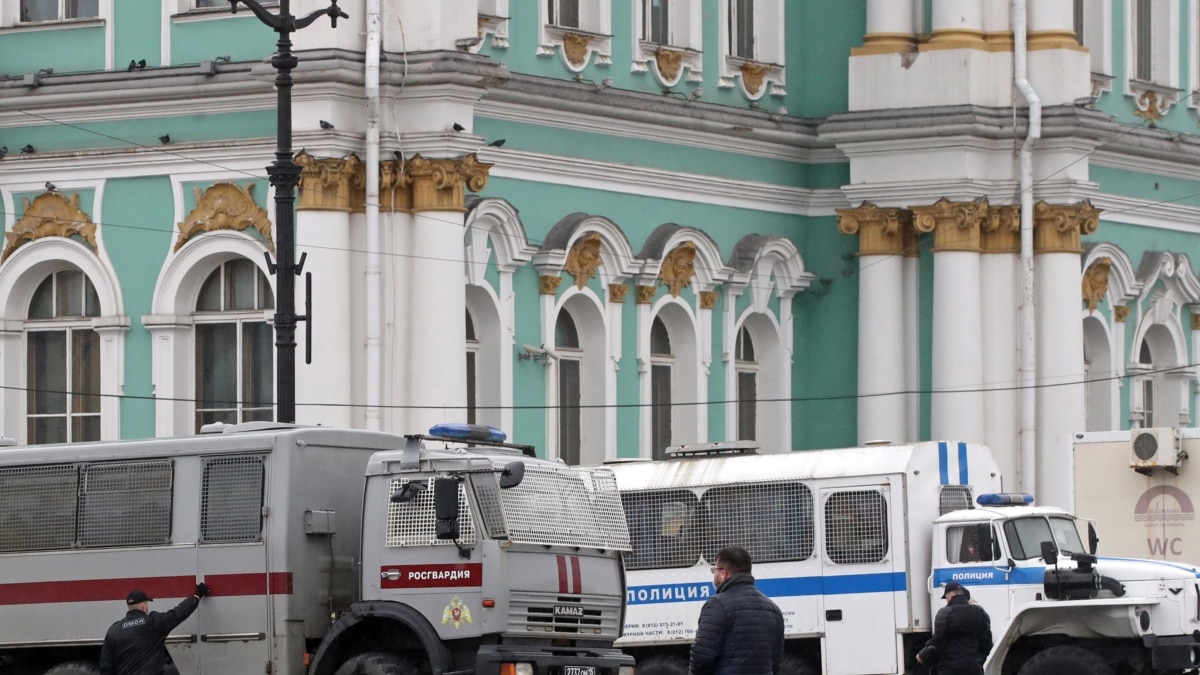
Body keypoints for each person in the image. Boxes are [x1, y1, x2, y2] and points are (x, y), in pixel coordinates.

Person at [689, 546, 785, 675]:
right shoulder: (773, 609)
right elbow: (776, 660)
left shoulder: (717, 605)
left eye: (714, 570)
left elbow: (702, 657)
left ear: (723, 574)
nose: (714, 575)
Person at [99, 582, 210, 675]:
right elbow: (178, 613)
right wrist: (196, 596)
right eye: (147, 603)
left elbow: (106, 667)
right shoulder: (154, 623)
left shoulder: (114, 631)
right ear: (143, 605)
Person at [916, 582, 992, 675]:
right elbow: (987, 642)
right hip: (974, 667)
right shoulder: (979, 612)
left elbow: (937, 642)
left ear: (951, 595)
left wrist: (923, 655)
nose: (946, 600)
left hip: (950, 668)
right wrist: (978, 659)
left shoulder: (944, 613)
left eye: (946, 597)